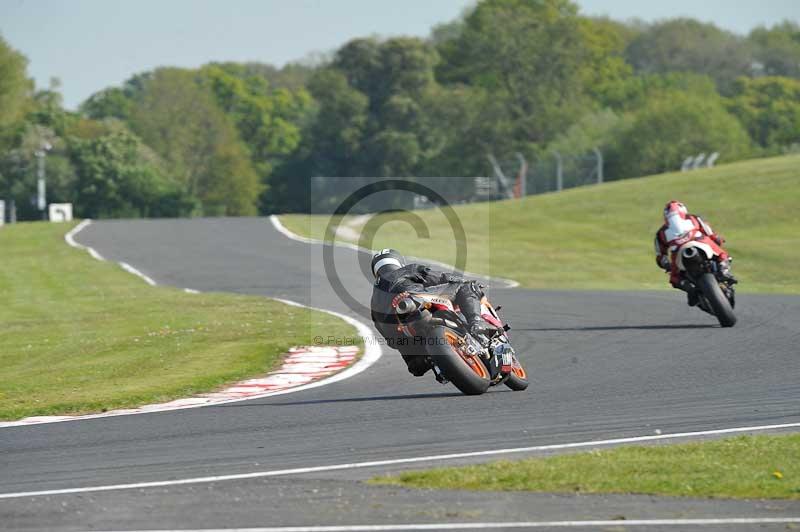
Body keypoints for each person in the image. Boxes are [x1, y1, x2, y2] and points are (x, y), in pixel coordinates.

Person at [369, 249, 499, 377]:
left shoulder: (374, 302)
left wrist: (411, 356)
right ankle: (476, 322)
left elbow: (390, 341)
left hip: (407, 337)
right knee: (466, 286)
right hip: (417, 300)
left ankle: (424, 360)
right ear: (397, 262)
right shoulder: (405, 270)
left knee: (414, 363)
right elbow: (442, 278)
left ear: (376, 272)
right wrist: (460, 281)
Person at [654, 200, 736, 306]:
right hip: (700, 242)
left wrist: (665, 264)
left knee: (674, 278)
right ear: (683, 210)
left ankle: (690, 289)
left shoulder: (661, 232)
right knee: (722, 255)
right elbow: (709, 232)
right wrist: (718, 239)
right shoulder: (693, 218)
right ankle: (724, 271)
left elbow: (660, 255)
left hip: (678, 252)